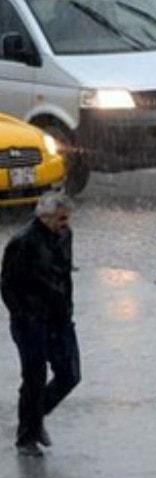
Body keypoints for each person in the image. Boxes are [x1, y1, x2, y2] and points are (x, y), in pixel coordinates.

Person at [1, 192, 81, 457]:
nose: (66, 223)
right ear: (44, 217)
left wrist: (67, 310)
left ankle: (34, 419)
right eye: (61, 219)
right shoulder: (22, 243)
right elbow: (8, 286)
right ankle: (27, 437)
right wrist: (25, 316)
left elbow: (65, 274)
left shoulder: (65, 235)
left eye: (67, 218)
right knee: (34, 377)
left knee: (69, 374)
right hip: (31, 322)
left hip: (59, 318)